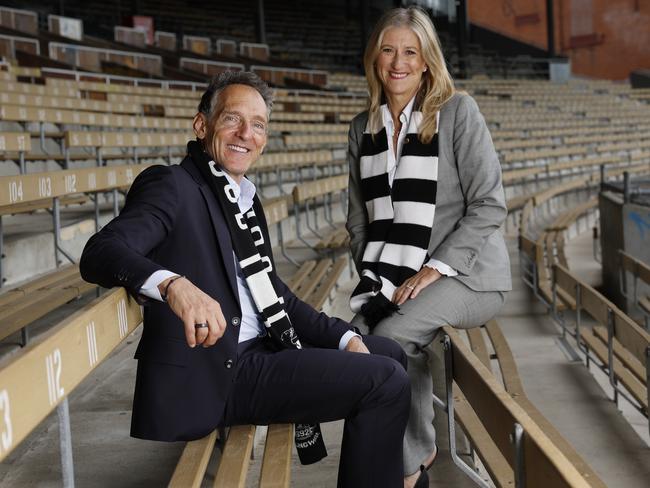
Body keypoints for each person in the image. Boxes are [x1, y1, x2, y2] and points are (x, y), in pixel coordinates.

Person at [79, 71, 410, 487]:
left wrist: (345, 338)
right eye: (232, 119)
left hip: (263, 350)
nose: (245, 134)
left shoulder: (243, 200)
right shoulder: (173, 185)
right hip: (219, 373)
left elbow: (276, 296)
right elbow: (100, 251)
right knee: (385, 381)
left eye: (257, 125)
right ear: (202, 125)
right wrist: (172, 285)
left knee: (389, 355)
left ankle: (407, 478)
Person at [346, 7, 512, 488]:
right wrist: (380, 277)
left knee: (393, 337)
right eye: (388, 50)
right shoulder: (363, 129)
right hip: (392, 275)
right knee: (351, 342)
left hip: (468, 276)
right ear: (375, 58)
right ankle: (376, 454)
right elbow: (359, 221)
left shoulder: (457, 112)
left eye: (410, 52)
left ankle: (409, 463)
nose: (398, 62)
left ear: (426, 61)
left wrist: (433, 269)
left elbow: (488, 204)